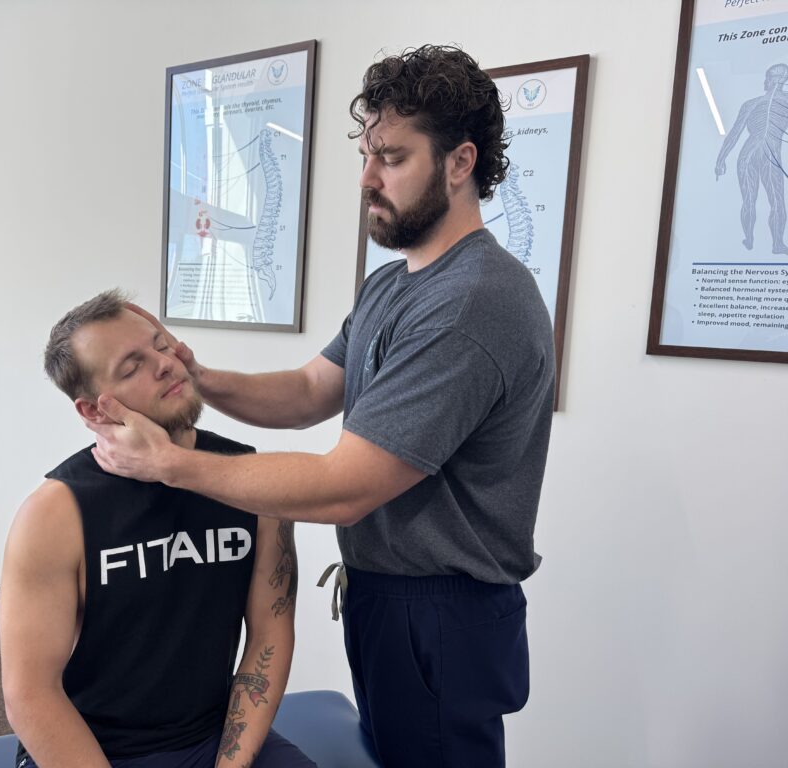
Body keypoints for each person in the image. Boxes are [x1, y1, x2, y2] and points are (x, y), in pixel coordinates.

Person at [91, 45, 555, 768]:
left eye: (392, 159)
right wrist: (200, 378)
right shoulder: (395, 284)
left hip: (439, 611)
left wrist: (172, 465)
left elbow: (346, 486)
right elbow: (312, 389)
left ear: (460, 163)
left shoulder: (474, 302)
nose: (367, 178)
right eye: (366, 155)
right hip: (387, 596)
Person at [0, 290, 315, 768]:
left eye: (161, 347)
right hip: (94, 751)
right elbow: (30, 694)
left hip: (215, 735)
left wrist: (231, 764)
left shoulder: (250, 483)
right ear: (92, 411)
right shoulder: (54, 513)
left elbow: (270, 635)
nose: (165, 365)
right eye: (132, 368)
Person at [715, 62, 788, 253]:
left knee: (749, 199)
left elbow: (735, 134)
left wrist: (721, 160)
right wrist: (720, 159)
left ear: (773, 80)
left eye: (768, 77)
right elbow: (733, 133)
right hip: (770, 153)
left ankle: (749, 239)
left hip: (747, 154)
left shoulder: (751, 103)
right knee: (777, 200)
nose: (766, 81)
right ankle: (777, 244)